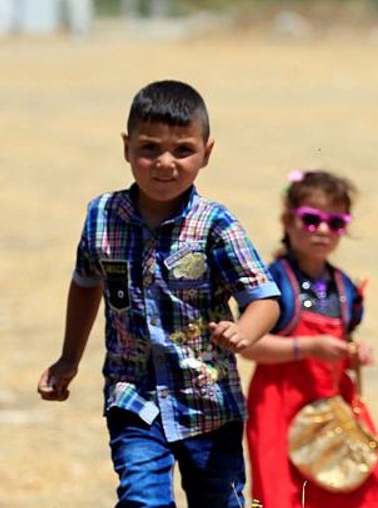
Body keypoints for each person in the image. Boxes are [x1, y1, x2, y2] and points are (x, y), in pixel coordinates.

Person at [36, 79, 281, 507]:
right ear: (127, 147)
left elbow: (263, 297)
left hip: (208, 404)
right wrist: (68, 358)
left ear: (206, 153)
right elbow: (86, 283)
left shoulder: (215, 225)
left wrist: (245, 331)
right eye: (150, 148)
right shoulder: (102, 216)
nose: (165, 163)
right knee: (142, 500)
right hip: (133, 397)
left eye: (183, 150)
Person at [242, 169, 378, 507]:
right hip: (278, 406)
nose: (323, 231)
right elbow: (249, 346)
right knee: (282, 492)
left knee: (373, 487)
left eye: (336, 223)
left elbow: (343, 340)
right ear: (288, 221)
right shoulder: (272, 284)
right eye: (311, 220)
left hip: (333, 402)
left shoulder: (345, 288)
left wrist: (353, 353)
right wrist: (307, 347)